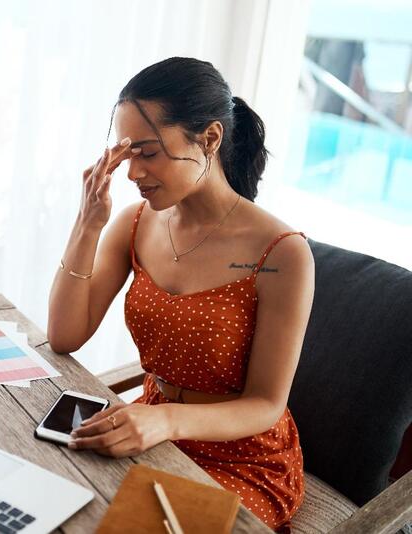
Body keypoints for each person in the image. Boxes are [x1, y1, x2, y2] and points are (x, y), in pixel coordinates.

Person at [46, 57, 314, 532]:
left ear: (209, 139)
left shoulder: (282, 254)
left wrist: (164, 421)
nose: (132, 173)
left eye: (147, 153)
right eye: (126, 155)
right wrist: (88, 222)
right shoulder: (133, 224)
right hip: (151, 427)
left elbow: (266, 404)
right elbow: (64, 336)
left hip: (244, 459)